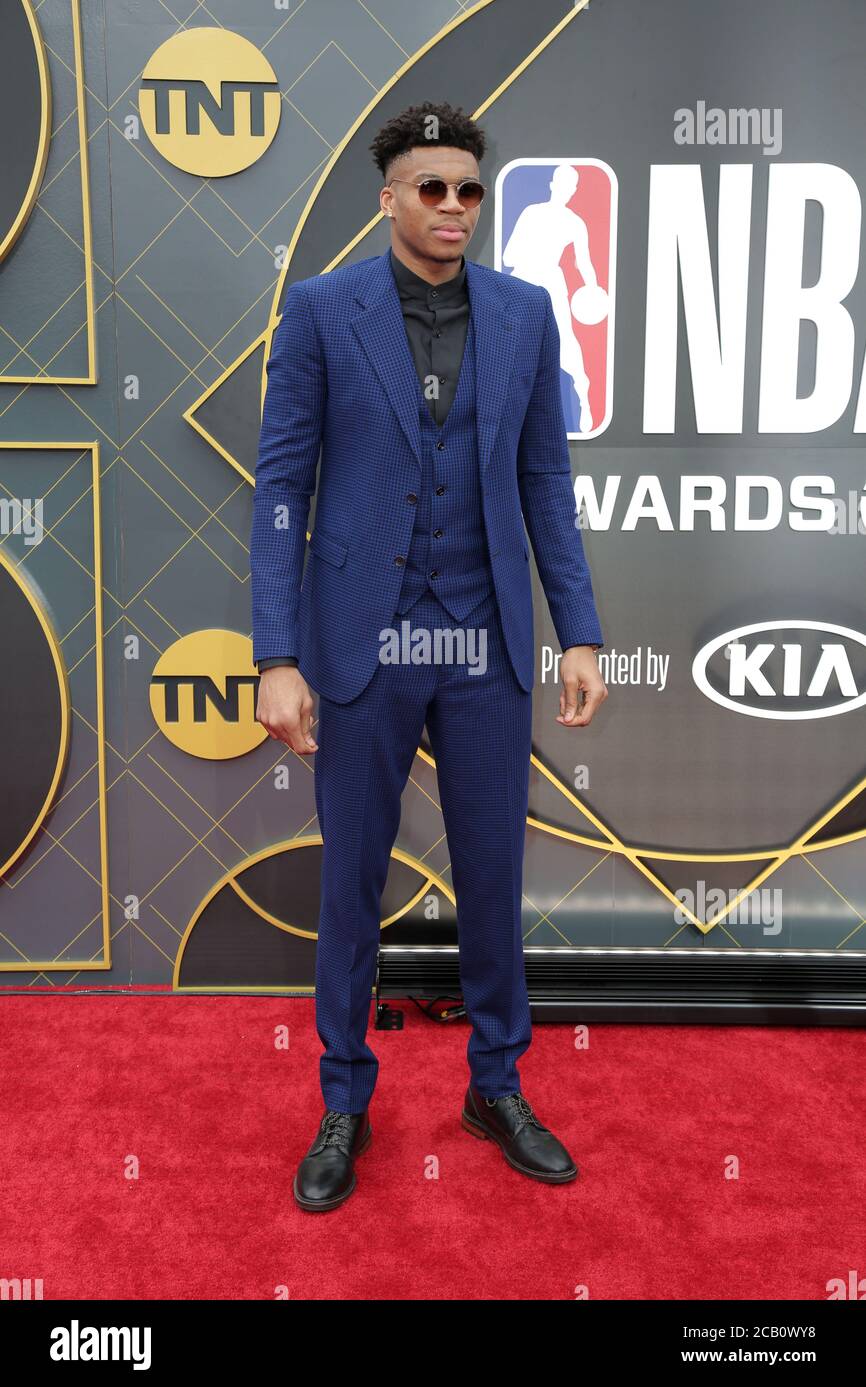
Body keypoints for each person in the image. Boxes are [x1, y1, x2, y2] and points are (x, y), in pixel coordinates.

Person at [250, 102, 608, 1212]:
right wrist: (276, 653)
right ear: (388, 196)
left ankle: (494, 1085)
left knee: (492, 880)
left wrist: (578, 627)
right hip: (361, 637)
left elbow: (543, 479)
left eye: (467, 188)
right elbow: (281, 490)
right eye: (431, 187)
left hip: (485, 637)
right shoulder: (318, 312)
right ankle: (343, 1100)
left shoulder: (523, 312)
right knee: (351, 885)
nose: (453, 207)